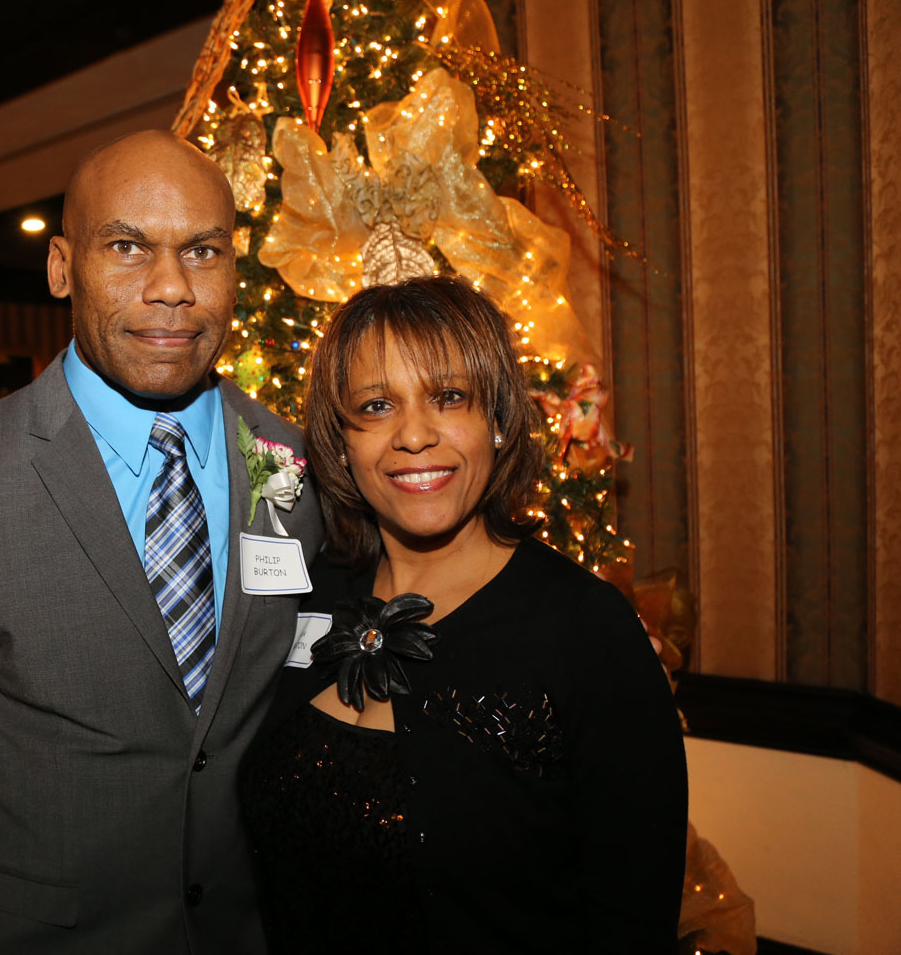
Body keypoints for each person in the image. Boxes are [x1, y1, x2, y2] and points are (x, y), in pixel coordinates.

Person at [0, 129, 323, 953]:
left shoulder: (299, 465)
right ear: (63, 266)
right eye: (128, 247)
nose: (172, 287)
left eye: (203, 251)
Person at [238, 276, 688, 954]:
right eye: (377, 404)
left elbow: (633, 919)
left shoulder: (585, 630)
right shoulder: (307, 593)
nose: (414, 435)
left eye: (449, 397)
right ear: (341, 443)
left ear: (499, 420)